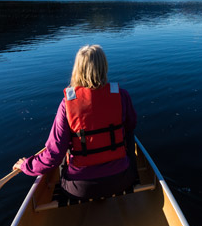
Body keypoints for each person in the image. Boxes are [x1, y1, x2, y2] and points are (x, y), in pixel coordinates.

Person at [13, 44, 137, 200]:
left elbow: (53, 155)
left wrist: (26, 165)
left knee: (64, 154)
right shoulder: (121, 95)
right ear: (104, 67)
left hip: (81, 188)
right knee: (129, 134)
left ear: (77, 69)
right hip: (122, 179)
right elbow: (131, 126)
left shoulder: (67, 104)